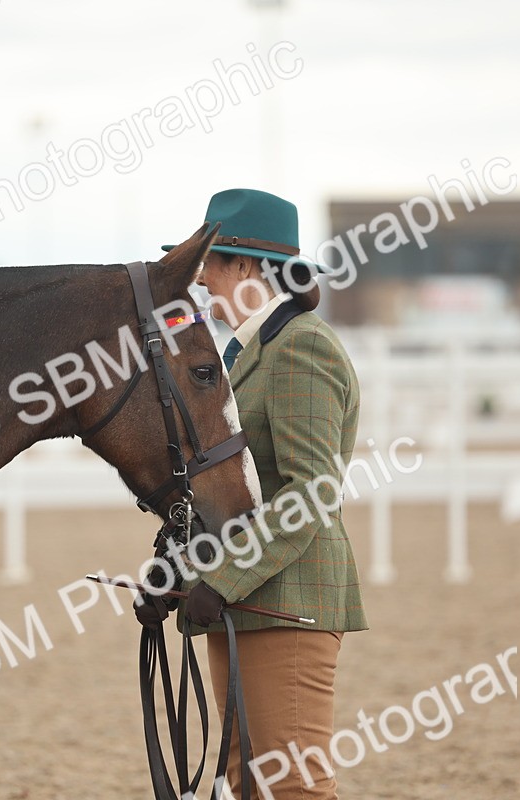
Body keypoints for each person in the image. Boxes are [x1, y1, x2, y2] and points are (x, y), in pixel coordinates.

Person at [137, 188, 368, 799]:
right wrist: (180, 571)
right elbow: (233, 488)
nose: (201, 282)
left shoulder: (300, 348)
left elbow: (310, 493)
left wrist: (224, 581)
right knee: (248, 784)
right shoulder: (244, 352)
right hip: (247, 602)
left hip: (286, 601)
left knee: (291, 786)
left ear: (245, 266)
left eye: (207, 265)